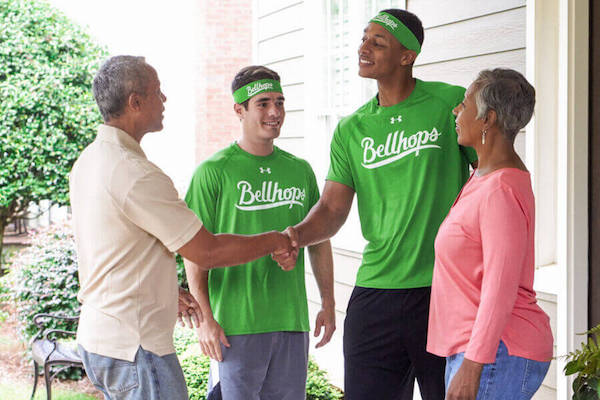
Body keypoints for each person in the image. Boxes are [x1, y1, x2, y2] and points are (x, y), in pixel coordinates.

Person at [274, 8, 477, 400]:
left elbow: (490, 173)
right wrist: (297, 234)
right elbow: (333, 209)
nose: (363, 47)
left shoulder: (449, 104)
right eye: (363, 38)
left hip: (442, 291)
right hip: (375, 292)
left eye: (377, 42)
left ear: (407, 56)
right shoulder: (352, 129)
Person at [69, 55, 296, 400]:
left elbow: (113, 248)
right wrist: (273, 239)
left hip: (101, 339)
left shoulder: (90, 160)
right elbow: (208, 251)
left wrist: (163, 289)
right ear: (135, 102)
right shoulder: (135, 173)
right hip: (137, 348)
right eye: (157, 92)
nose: (164, 101)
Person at [183, 65, 336, 400]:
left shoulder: (300, 171)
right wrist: (206, 320)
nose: (274, 112)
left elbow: (319, 241)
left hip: (291, 321)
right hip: (235, 326)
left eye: (279, 102)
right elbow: (193, 253)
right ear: (239, 110)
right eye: (263, 103)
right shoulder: (212, 172)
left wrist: (328, 301)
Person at [427, 68, 553, 400]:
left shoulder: (500, 189)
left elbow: (500, 287)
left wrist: (474, 364)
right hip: (481, 349)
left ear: (488, 119)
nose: (456, 111)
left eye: (465, 104)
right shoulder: (485, 177)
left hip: (495, 352)